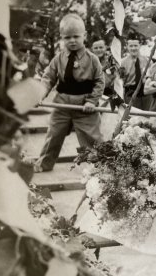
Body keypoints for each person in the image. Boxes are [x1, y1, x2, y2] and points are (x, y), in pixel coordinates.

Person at [34, 13, 104, 172]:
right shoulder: (58, 59)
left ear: (84, 36)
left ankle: (103, 166)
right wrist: (40, 93)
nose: (72, 40)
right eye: (67, 37)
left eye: (76, 36)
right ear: (62, 38)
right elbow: (48, 78)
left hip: (85, 107)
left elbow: (99, 81)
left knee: (93, 139)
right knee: (53, 134)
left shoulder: (92, 59)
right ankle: (44, 163)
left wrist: (92, 101)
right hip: (62, 104)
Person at [119, 34, 150, 110]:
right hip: (130, 95)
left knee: (147, 118)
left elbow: (150, 76)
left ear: (139, 45)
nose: (133, 48)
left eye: (135, 46)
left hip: (146, 95)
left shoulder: (147, 61)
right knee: (132, 118)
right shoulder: (122, 63)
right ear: (127, 46)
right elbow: (121, 81)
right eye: (131, 46)